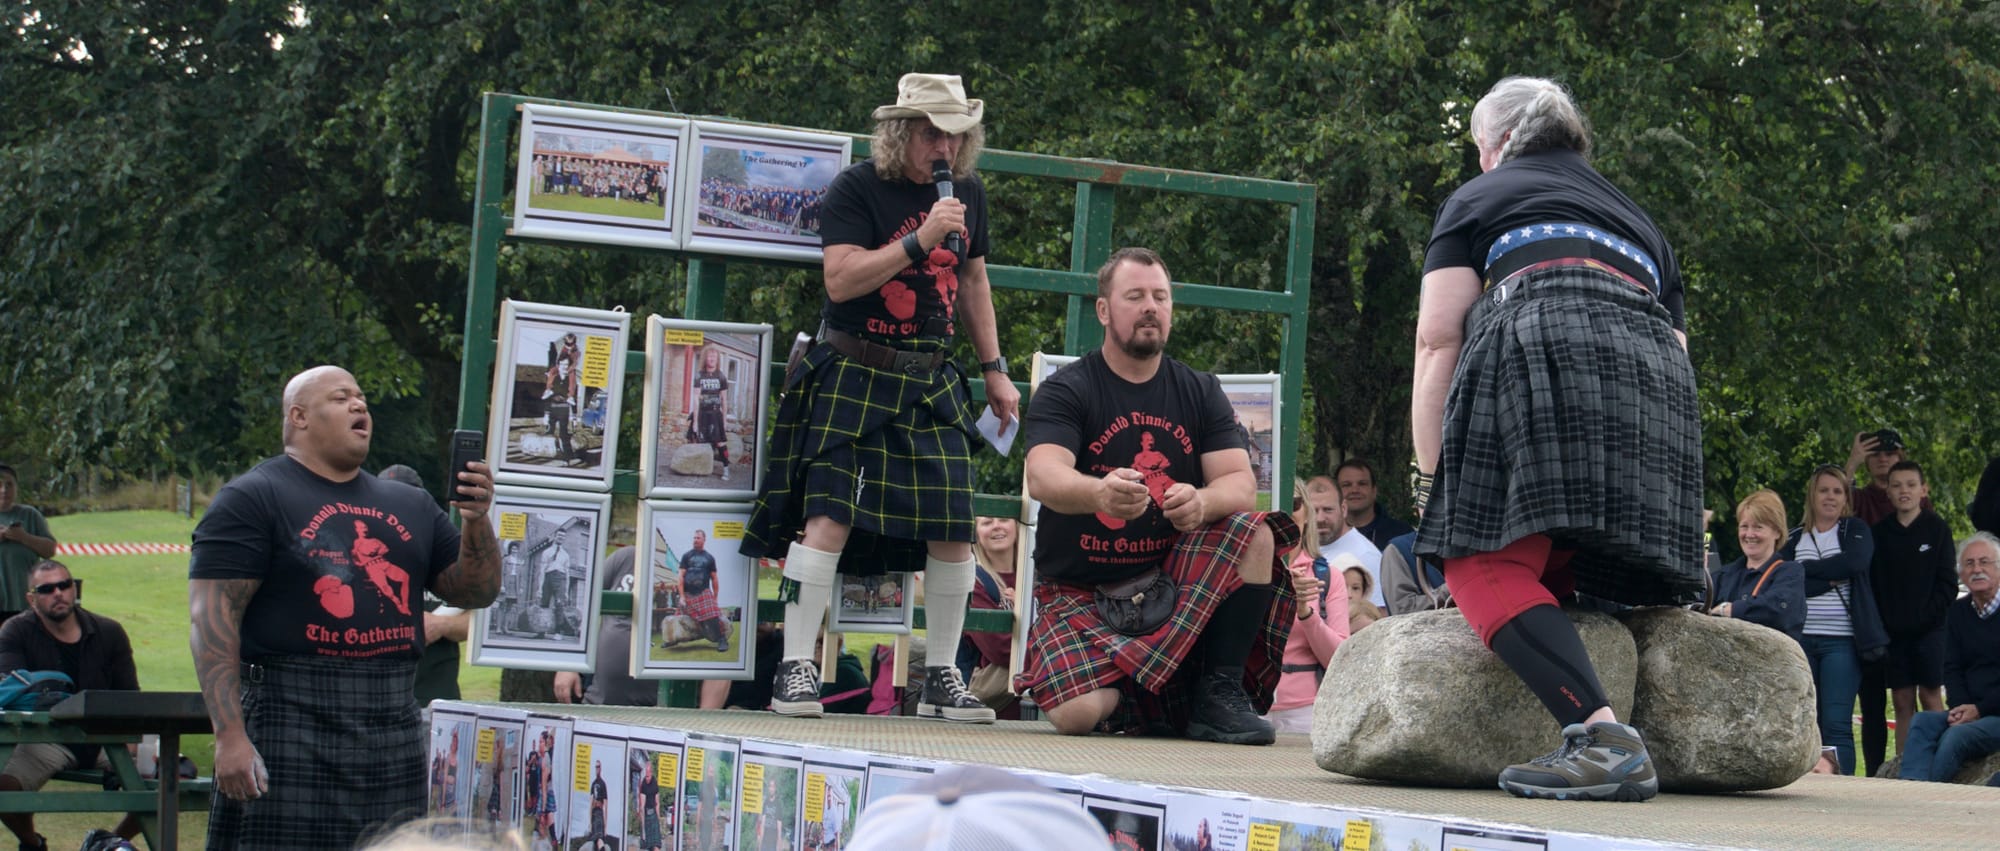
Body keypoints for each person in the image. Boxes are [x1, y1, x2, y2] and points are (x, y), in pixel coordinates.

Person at [1412, 77, 1701, 801]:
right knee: (1555, 560)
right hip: (1655, 382)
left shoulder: (1478, 198)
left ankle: (1604, 739)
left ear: (1495, 144)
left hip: (1540, 333)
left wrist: (1434, 488)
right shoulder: (1640, 221)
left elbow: (1437, 337)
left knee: (1476, 565)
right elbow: (1678, 348)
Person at [742, 72, 1017, 723]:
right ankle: (797, 668)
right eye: (930, 132)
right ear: (900, 133)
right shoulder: (857, 188)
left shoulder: (968, 193)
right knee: (829, 516)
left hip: (931, 377)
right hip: (855, 370)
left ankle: (944, 677)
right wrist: (919, 239)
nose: (943, 146)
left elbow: (975, 282)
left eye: (955, 133)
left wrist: (995, 369)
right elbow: (839, 280)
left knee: (954, 529)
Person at [189, 365, 500, 849]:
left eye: (362, 398)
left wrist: (477, 521)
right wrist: (230, 736)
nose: (360, 406)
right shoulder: (253, 497)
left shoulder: (411, 504)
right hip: (288, 714)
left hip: (391, 716)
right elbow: (213, 617)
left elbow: (475, 593)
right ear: (299, 416)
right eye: (341, 398)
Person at [1017, 247, 1300, 745]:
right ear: (1104, 310)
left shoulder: (1199, 389)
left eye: (1160, 297)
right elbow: (1043, 476)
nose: (1151, 307)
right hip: (1079, 592)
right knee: (1078, 712)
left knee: (1254, 532)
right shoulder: (1068, 390)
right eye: (1135, 296)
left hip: (1169, 583)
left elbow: (1239, 483)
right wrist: (1099, 494)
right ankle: (1154, 693)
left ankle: (1217, 693)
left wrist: (1201, 502)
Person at [0, 560, 143, 850]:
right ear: (31, 598)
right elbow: (11, 694)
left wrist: (130, 742)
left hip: (106, 737)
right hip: (46, 738)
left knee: (176, 778)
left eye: (65, 585)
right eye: (47, 588)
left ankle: (108, 843)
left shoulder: (109, 631)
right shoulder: (14, 631)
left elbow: (131, 697)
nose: (58, 593)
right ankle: (32, 843)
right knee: (3, 784)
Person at [1778, 464, 1885, 775]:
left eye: (1837, 491)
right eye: (1824, 490)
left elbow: (1855, 563)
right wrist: (1828, 579)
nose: (1830, 497)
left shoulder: (1856, 530)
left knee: (1836, 723)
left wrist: (1804, 572)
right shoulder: (1794, 537)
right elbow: (1786, 579)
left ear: (1845, 498)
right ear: (1813, 495)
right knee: (1805, 720)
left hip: (1842, 641)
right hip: (1800, 640)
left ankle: (1843, 787)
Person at [1869, 460, 1958, 756]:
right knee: (1902, 700)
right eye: (1896, 485)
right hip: (1894, 634)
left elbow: (1947, 584)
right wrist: (1888, 623)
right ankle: (1905, 765)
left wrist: (1925, 619)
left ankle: (1943, 762)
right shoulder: (1879, 534)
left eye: (1910, 484)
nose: (1903, 491)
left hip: (1931, 631)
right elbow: (1875, 585)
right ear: (1888, 492)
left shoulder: (1938, 530)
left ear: (1923, 490)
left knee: (1931, 695)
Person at [1897, 533, 2000, 782]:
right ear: (1961, 574)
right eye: (1969, 564)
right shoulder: (1957, 612)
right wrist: (1961, 708)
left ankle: (1927, 801)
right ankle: (1909, 793)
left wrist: (1979, 709)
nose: (1977, 569)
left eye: (1984, 562)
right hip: (1971, 710)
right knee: (1922, 721)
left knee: (1956, 737)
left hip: (1994, 713)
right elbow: (1951, 667)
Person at [378, 464, 472, 706]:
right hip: (375, 696)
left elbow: (481, 624)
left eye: (407, 500)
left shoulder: (443, 552)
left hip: (435, 695)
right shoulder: (363, 557)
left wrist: (441, 625)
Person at [1264, 479, 1348, 734]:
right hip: (1250, 706)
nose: (1286, 512)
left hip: (1308, 712)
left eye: (1294, 503)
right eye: (1277, 504)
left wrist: (1305, 612)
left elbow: (1339, 658)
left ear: (1307, 514)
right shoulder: (1241, 572)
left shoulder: (1328, 576)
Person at [553, 546, 658, 707]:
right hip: (599, 702)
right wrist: (570, 664)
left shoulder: (688, 569)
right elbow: (584, 602)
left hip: (664, 711)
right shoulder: (627, 557)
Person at [1707, 490, 1805, 638]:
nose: (1749, 534)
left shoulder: (1790, 573)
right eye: (1744, 526)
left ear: (1777, 532)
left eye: (1758, 527)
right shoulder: (1722, 576)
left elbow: (1779, 611)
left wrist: (1728, 610)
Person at [958, 516, 1019, 714]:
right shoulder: (973, 582)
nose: (996, 526)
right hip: (992, 717)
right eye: (986, 523)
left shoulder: (1036, 576)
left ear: (1017, 526)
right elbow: (1000, 649)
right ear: (976, 533)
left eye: (1003, 519)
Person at [1308, 476, 1385, 609]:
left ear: (1343, 509)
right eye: (1313, 511)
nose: (1320, 518)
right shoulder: (1298, 548)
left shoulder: (1366, 555)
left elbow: (1378, 616)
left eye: (1328, 510)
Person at [0, 464, 58, 623]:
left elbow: (50, 550)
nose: (4, 490)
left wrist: (23, 537)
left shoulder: (30, 515)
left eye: (9, 485)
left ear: (17, 488)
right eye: (0, 485)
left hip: (25, 604)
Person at [1842, 429, 1929, 526]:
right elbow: (1837, 496)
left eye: (1889, 454)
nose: (1882, 459)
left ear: (1900, 459)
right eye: (1875, 454)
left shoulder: (1917, 498)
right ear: (1867, 461)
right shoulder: (1859, 499)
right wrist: (1853, 461)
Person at [1334, 459, 1414, 550]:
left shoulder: (1401, 534)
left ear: (1374, 491)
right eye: (1347, 485)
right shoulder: (1326, 535)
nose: (1354, 490)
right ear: (1336, 493)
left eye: (1362, 484)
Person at [675, 530, 729, 652]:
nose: (695, 540)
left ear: (704, 540)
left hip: (704, 592)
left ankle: (722, 639)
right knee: (679, 617)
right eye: (694, 538)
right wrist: (682, 596)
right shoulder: (686, 556)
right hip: (688, 594)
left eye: (698, 538)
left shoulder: (709, 558)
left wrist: (715, 598)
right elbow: (680, 577)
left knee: (713, 613)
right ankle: (671, 639)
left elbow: (714, 579)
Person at [691, 346, 733, 481]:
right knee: (697, 440)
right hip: (702, 413)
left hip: (716, 414)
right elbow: (696, 399)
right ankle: (697, 470)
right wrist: (695, 422)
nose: (712, 359)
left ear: (717, 359)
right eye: (709, 356)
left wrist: (725, 420)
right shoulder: (699, 376)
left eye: (714, 357)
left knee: (720, 443)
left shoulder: (721, 376)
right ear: (705, 358)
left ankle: (726, 469)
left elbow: (724, 400)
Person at [1340, 558, 1384, 634]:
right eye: (1342, 587)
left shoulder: (1372, 615)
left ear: (1364, 591)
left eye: (1355, 588)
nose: (1349, 595)